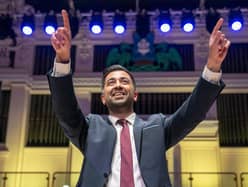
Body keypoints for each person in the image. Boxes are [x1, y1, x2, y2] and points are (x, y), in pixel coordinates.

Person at [47, 10, 230, 187]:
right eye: (111, 82)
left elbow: (192, 113)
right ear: (103, 98)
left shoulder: (157, 127)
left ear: (135, 95)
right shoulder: (90, 128)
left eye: (124, 81)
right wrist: (62, 60)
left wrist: (213, 66)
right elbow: (65, 111)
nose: (118, 85)